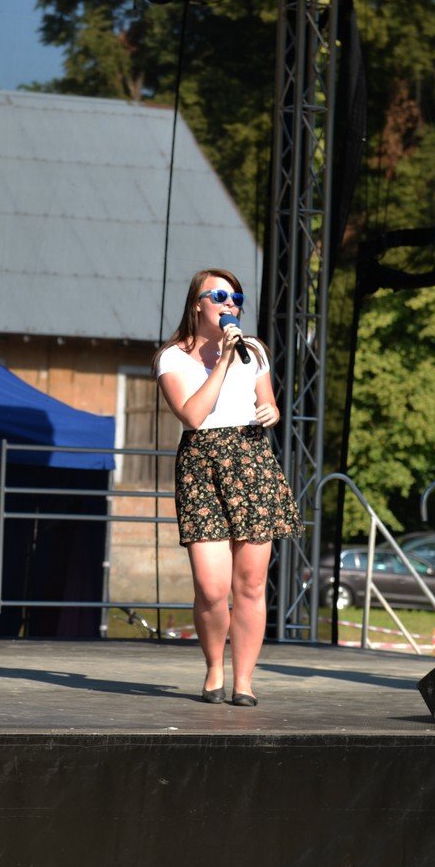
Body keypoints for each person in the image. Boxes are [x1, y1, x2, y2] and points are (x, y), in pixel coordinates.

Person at [155, 269, 300, 707]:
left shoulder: (253, 350)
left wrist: (271, 411)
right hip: (202, 466)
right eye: (220, 296)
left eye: (236, 296)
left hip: (251, 461)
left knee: (251, 584)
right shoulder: (172, 357)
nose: (230, 303)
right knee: (211, 587)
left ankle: (244, 681)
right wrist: (220, 362)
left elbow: (267, 401)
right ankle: (214, 667)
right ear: (197, 303)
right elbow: (192, 415)